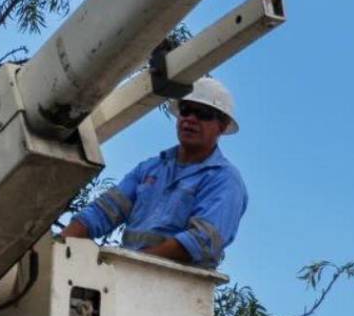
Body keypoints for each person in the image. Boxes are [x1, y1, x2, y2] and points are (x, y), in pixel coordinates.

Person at [61, 76, 247, 269]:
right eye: (186, 110)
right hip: (128, 275)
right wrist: (58, 246)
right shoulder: (150, 168)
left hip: (177, 285)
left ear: (222, 126)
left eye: (203, 113)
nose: (190, 119)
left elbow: (199, 242)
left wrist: (131, 264)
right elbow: (104, 211)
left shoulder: (224, 180)